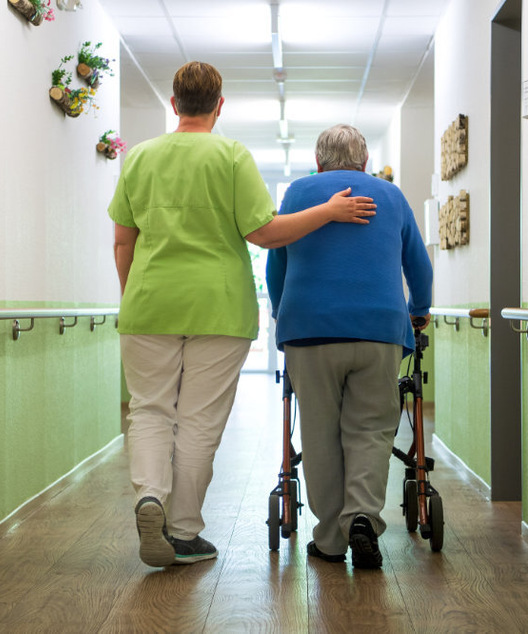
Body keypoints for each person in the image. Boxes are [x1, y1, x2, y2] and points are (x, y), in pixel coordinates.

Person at [109, 63, 377, 568]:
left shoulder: (140, 157)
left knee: (149, 409)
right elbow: (264, 232)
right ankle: (183, 531)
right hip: (219, 306)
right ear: (219, 105)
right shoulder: (230, 154)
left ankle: (150, 497)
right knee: (199, 422)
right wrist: (328, 212)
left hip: (147, 304)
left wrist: (135, 298)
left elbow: (124, 241)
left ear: (174, 103)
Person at [266, 124, 432, 569]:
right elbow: (418, 264)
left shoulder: (299, 192)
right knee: (372, 430)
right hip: (379, 330)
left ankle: (329, 541)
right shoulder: (390, 195)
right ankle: (362, 516)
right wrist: (421, 309)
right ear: (365, 164)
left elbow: (275, 263)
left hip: (309, 331)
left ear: (318, 163)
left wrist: (283, 313)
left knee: (319, 434)